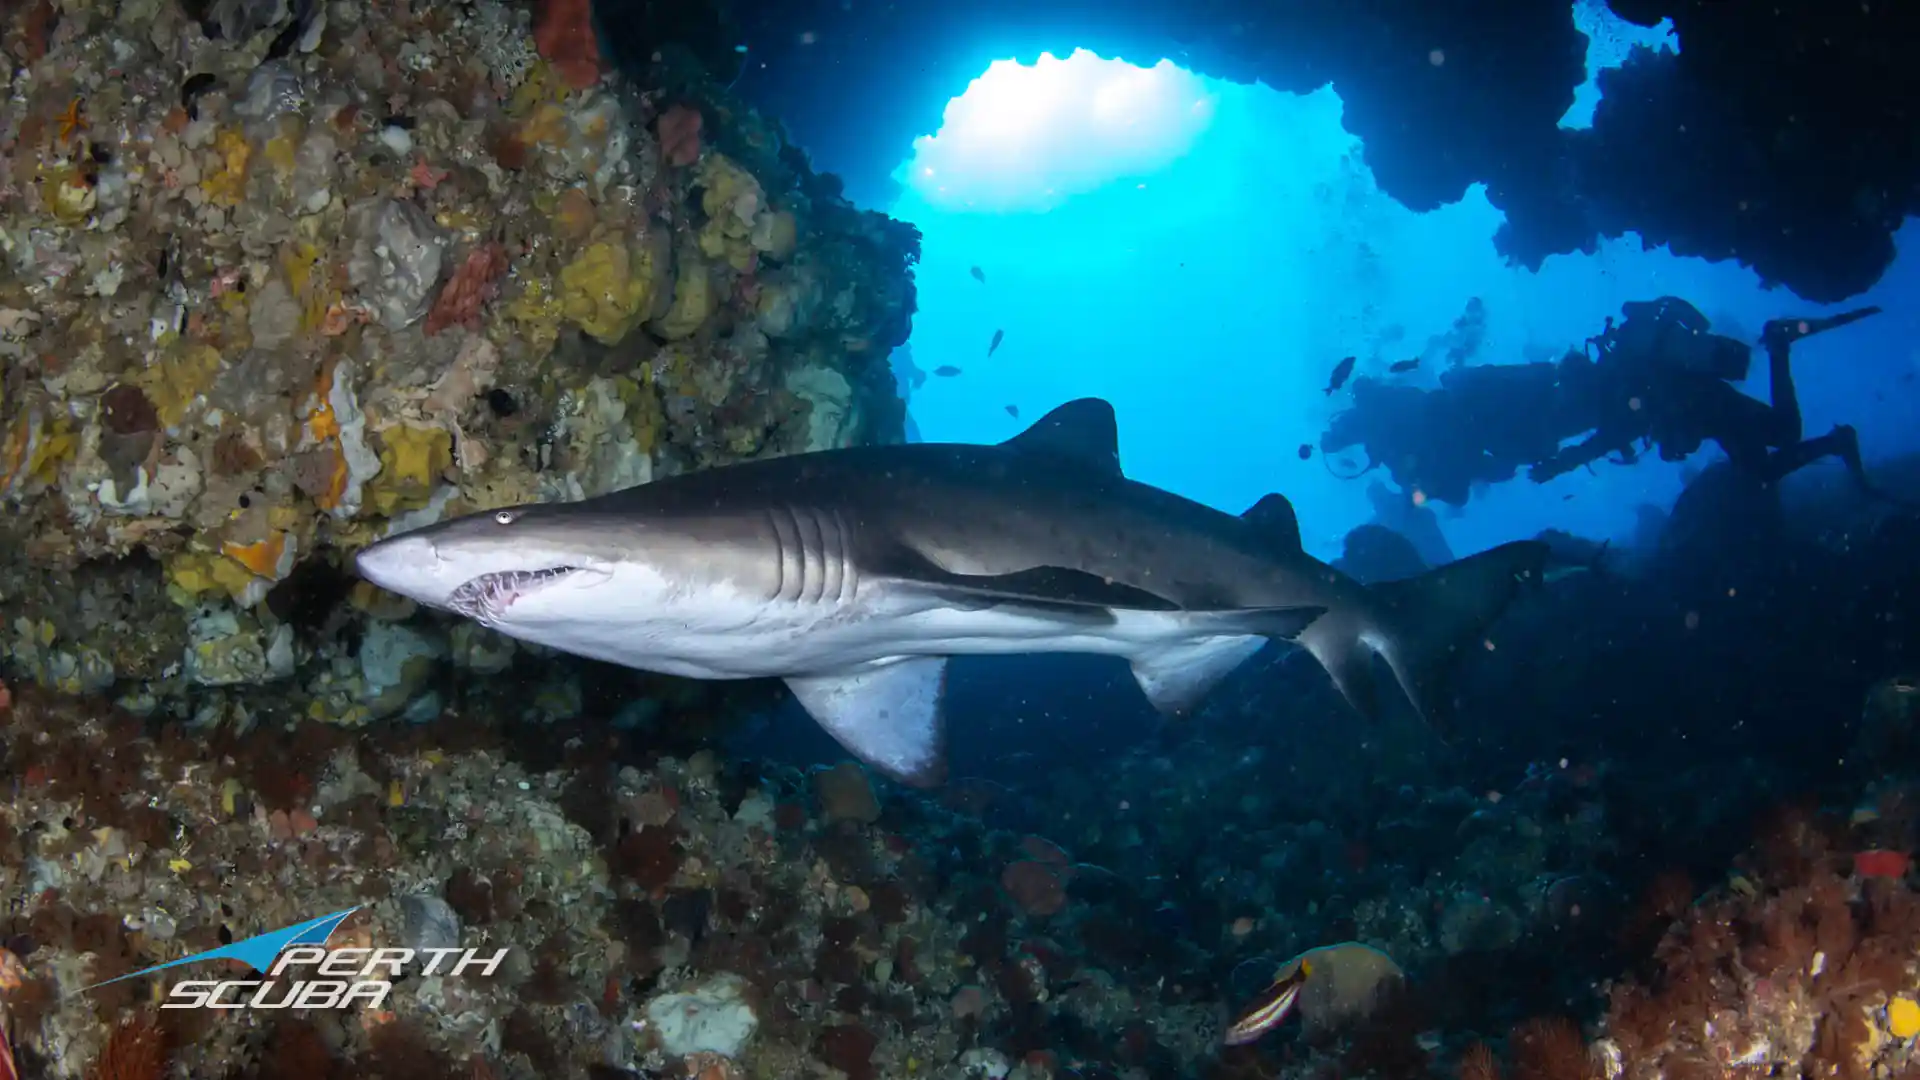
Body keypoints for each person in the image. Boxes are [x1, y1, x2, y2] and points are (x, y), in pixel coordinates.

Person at [1530, 302, 1885, 492]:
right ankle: (1779, 344)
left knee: (1766, 464)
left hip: (1714, 411)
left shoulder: (1622, 397)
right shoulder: (1624, 381)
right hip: (1714, 403)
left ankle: (1837, 438)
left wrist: (1559, 465)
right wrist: (1560, 464)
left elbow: (1600, 444)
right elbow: (1601, 442)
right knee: (1783, 432)